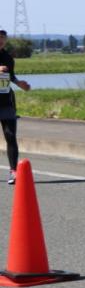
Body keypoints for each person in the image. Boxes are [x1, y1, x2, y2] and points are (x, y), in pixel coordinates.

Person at [0, 29, 33, 185]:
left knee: (10, 135)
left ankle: (14, 171)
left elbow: (10, 76)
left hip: (6, 101)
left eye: (3, 38)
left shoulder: (7, 57)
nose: (0, 40)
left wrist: (19, 83)